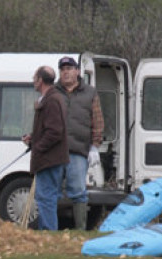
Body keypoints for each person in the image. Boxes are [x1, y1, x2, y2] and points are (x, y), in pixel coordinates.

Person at [56, 56, 104, 230]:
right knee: (51, 192)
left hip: (78, 151)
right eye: (63, 69)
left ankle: (80, 231)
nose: (66, 72)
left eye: (69, 68)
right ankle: (50, 231)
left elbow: (97, 120)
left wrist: (94, 146)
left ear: (77, 71)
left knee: (78, 191)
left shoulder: (90, 93)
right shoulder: (53, 92)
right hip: (54, 151)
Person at [23, 66, 68, 231]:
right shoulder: (51, 98)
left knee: (45, 198)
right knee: (47, 198)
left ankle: (48, 232)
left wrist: (38, 147)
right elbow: (50, 129)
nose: (33, 81)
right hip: (51, 158)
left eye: (34, 78)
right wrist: (33, 138)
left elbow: (55, 132)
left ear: (40, 80)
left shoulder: (52, 100)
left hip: (49, 160)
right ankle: (49, 231)